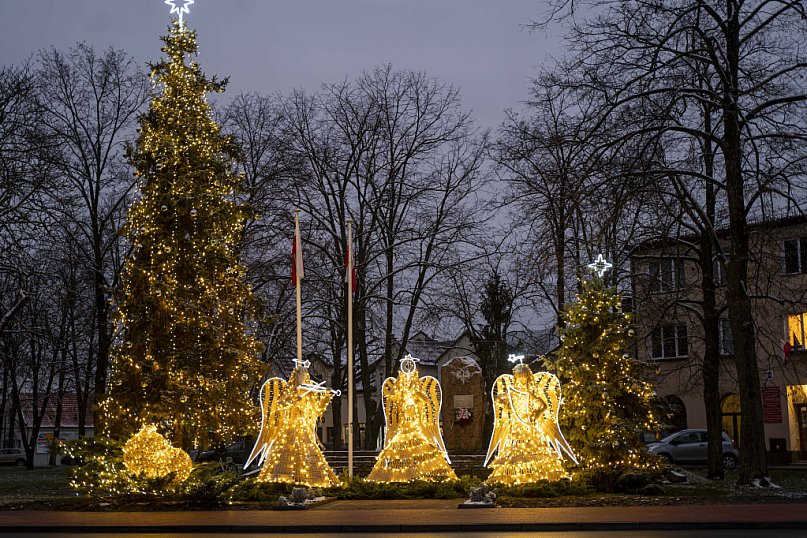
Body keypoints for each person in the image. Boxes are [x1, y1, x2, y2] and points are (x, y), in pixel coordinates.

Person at [245, 359, 339, 487]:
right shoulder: (290, 391)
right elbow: (280, 405)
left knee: (310, 453)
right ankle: (281, 482)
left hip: (304, 429)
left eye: (305, 375)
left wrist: (327, 396)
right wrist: (295, 398)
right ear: (296, 376)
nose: (303, 377)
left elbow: (317, 410)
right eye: (300, 375)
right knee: (285, 455)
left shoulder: (309, 393)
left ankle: (312, 481)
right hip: (290, 428)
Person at [367, 355, 456, 482]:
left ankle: (419, 476)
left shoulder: (418, 390)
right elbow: (393, 399)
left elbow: (425, 400)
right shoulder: (399, 391)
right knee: (399, 453)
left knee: (421, 451)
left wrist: (415, 392)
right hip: (402, 427)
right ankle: (402, 477)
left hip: (416, 426)